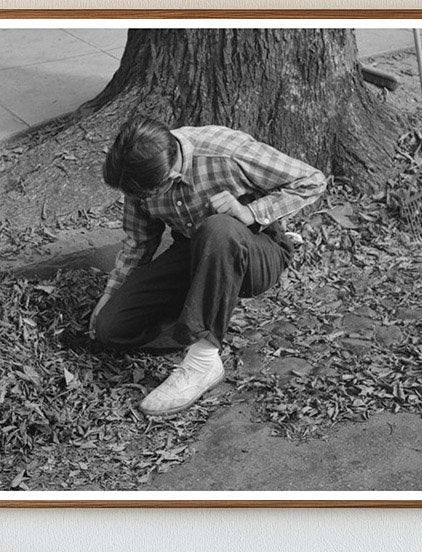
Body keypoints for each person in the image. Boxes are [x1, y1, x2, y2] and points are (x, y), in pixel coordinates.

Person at [91, 116, 327, 417]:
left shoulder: (225, 151)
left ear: (172, 176)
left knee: (218, 229)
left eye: (145, 196)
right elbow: (139, 242)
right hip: (193, 252)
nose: (136, 200)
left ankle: (203, 360)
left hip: (256, 248)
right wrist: (111, 294)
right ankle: (200, 317)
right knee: (110, 329)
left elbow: (312, 180)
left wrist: (250, 211)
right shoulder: (139, 173)